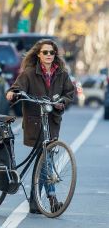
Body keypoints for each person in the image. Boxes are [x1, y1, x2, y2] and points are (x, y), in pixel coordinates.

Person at [6, 39, 75, 214]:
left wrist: (62, 102)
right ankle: (51, 198)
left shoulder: (62, 74)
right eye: (45, 52)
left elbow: (69, 93)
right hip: (35, 121)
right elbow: (16, 88)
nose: (49, 55)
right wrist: (12, 94)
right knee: (45, 159)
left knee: (43, 159)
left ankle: (34, 202)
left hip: (51, 122)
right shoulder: (29, 73)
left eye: (52, 52)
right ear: (38, 54)